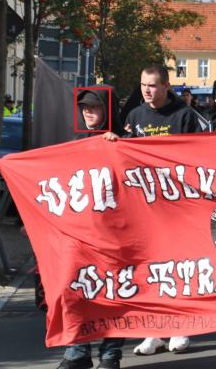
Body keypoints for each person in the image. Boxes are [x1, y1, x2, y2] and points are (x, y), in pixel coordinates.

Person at [103, 65, 201, 355]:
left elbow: (200, 153)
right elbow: (127, 154)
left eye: (154, 85)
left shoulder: (184, 116)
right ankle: (154, 332)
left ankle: (181, 328)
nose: (147, 90)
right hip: (145, 204)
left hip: (179, 203)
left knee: (178, 268)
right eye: (144, 84)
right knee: (149, 269)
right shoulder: (135, 115)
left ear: (167, 86)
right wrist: (115, 142)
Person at [59, 86, 125, 369]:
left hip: (114, 234)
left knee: (114, 293)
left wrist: (119, 145)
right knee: (76, 291)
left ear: (107, 111)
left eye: (94, 107)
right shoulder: (74, 141)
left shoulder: (124, 141)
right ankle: (77, 352)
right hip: (80, 234)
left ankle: (110, 355)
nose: (87, 111)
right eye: (84, 107)